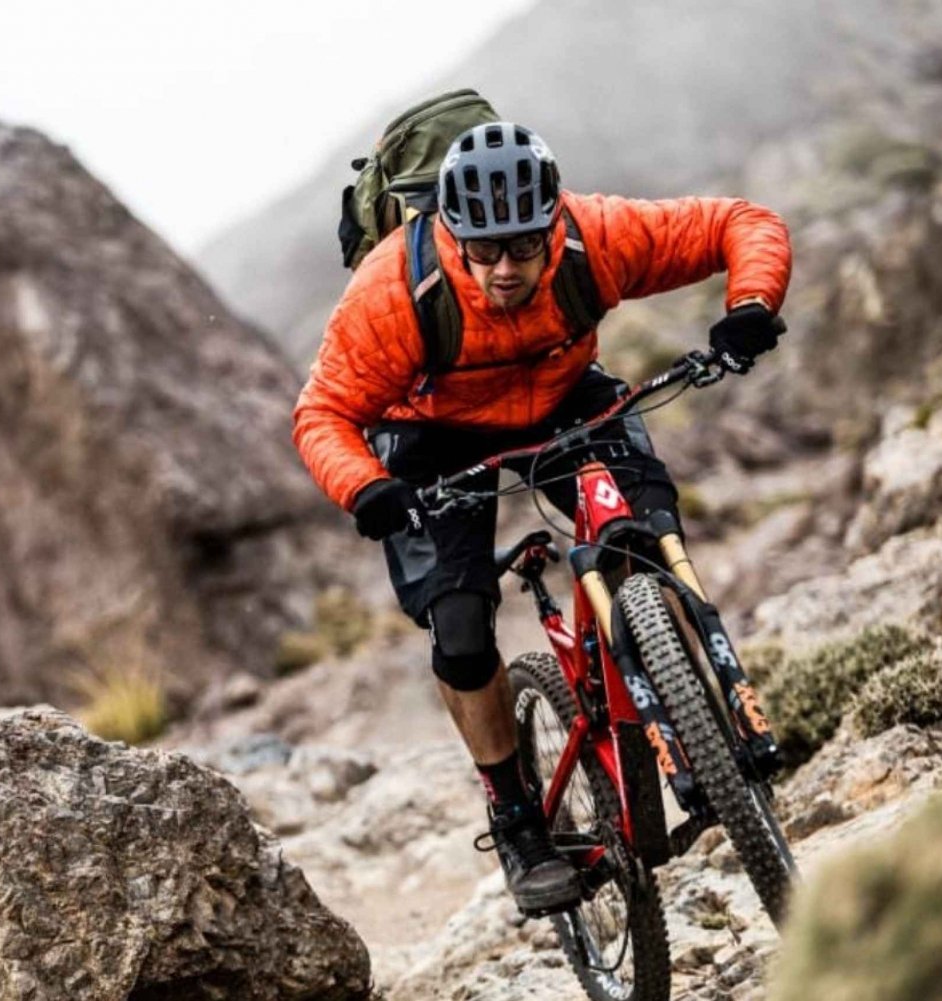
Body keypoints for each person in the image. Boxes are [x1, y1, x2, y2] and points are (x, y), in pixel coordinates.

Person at [293, 121, 791, 915]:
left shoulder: (596, 235)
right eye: (481, 249)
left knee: (646, 532)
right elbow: (323, 413)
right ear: (450, 229)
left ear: (553, 222)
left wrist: (751, 304)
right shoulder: (396, 290)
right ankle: (518, 814)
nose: (502, 269)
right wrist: (366, 487)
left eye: (523, 246)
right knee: (457, 626)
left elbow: (742, 223)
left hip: (565, 400)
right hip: (435, 435)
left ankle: (686, 698)